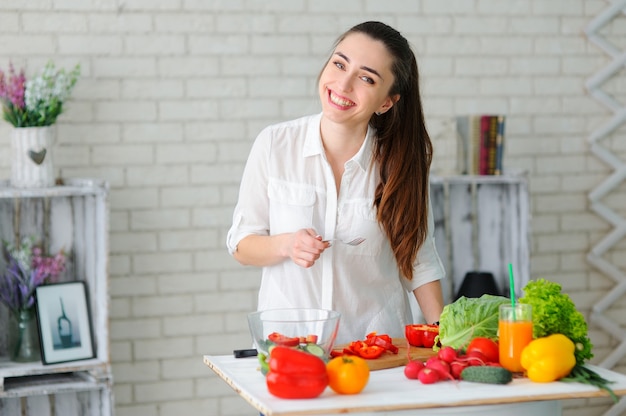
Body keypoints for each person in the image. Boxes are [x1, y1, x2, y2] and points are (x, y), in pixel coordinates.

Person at [227, 21, 445, 345]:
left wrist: (448, 336)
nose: (343, 84)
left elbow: (418, 260)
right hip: (291, 347)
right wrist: (287, 244)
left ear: (386, 102)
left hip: (377, 352)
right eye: (340, 64)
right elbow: (242, 244)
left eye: (367, 78)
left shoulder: (399, 165)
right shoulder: (275, 145)